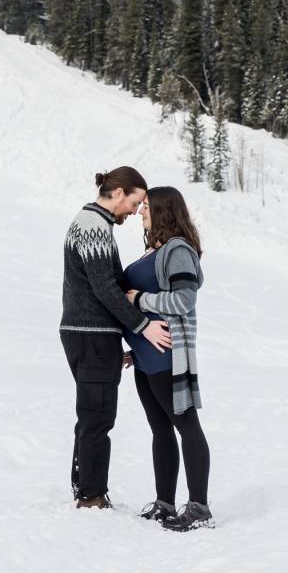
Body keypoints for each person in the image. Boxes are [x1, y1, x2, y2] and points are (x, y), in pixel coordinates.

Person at [60, 167, 171, 510]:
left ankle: (85, 487)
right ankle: (91, 497)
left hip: (90, 335)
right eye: (136, 201)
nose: (137, 210)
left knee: (91, 413)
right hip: (91, 334)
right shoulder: (94, 226)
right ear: (120, 192)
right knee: (98, 416)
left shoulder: (95, 224)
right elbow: (106, 289)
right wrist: (143, 327)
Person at [123, 186, 212, 531]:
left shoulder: (177, 250)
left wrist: (138, 299)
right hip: (146, 358)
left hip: (167, 357)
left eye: (146, 207)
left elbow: (182, 302)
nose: (141, 212)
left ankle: (200, 508)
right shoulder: (153, 251)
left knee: (185, 425)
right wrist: (134, 348)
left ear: (163, 210)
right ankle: (164, 503)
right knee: (160, 430)